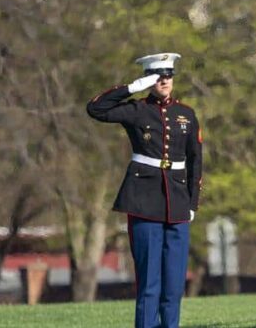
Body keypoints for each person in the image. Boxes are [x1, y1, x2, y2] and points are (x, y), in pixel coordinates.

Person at [87, 52, 202, 328]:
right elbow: (96, 109)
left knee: (174, 284)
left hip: (177, 202)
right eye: (158, 76)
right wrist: (132, 87)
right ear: (150, 79)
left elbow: (196, 159)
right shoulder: (137, 110)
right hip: (144, 200)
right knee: (149, 283)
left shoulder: (186, 114)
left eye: (168, 76)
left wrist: (193, 202)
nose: (164, 81)